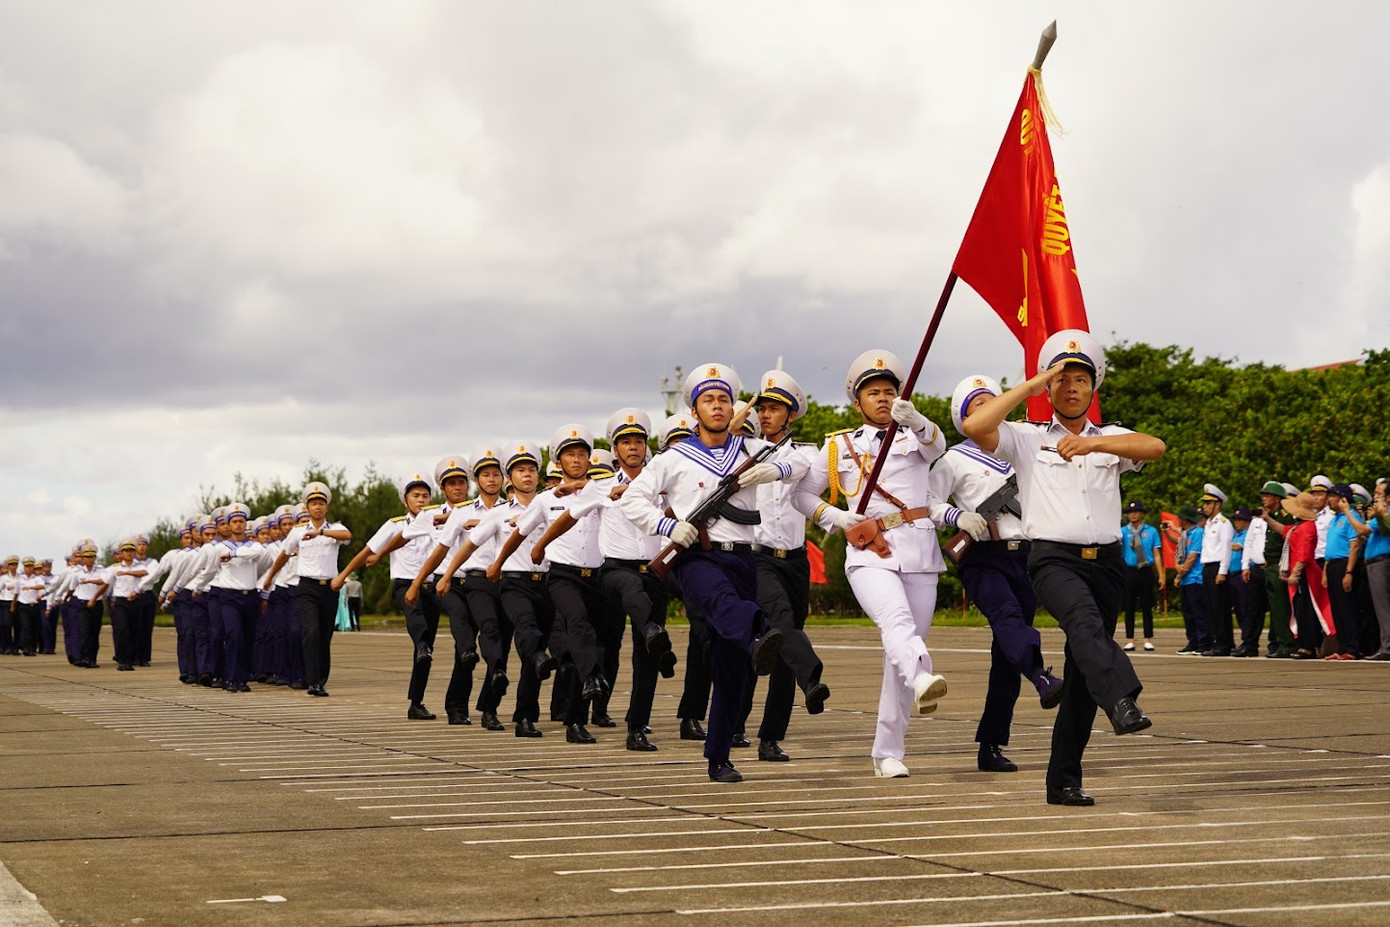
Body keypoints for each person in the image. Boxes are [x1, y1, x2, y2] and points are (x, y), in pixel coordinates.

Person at [961, 329, 1164, 807]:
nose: (1071, 386)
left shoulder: (1110, 437)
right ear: (1048, 389)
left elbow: (1155, 447)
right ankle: (1122, 698)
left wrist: (1095, 447)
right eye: (1061, 379)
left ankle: (1063, 780)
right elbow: (975, 427)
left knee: (1080, 672)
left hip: (1108, 563)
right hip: (1053, 559)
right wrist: (1029, 385)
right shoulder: (1027, 438)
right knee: (1086, 626)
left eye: (1080, 379)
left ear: (1094, 389)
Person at [620, 363, 800, 782]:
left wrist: (776, 470)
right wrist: (668, 525)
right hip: (696, 557)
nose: (717, 407)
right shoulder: (674, 457)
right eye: (708, 400)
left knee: (731, 665)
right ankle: (759, 631)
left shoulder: (752, 450)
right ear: (695, 409)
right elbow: (632, 499)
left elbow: (804, 465)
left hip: (743, 559)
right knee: (722, 601)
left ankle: (718, 755)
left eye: (723, 400)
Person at [793, 350, 952, 779]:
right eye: (873, 393)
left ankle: (888, 752)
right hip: (869, 554)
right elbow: (802, 495)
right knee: (896, 624)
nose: (883, 399)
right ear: (857, 402)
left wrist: (915, 419)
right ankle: (924, 676)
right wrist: (834, 516)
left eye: (889, 391)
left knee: (899, 653)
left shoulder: (916, 436)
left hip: (919, 552)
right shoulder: (837, 445)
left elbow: (940, 446)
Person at [930, 374, 1063, 775]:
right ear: (965, 417)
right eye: (978, 405)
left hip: (1024, 556)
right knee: (1006, 618)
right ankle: (1040, 674)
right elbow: (925, 502)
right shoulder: (955, 458)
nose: (989, 408)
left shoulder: (1025, 450)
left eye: (993, 400)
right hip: (983, 555)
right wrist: (957, 515)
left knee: (1006, 655)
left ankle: (991, 744)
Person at [264, 482, 351, 696]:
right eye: (313, 504)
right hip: (307, 588)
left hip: (329, 588)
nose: (318, 507)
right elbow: (284, 554)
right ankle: (312, 681)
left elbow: (347, 536)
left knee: (324, 636)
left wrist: (321, 533)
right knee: (311, 632)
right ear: (307, 507)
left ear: (327, 507)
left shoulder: (335, 529)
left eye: (321, 503)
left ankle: (321, 680)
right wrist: (270, 576)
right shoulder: (297, 531)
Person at [1322, 483, 1370, 660]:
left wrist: (1349, 572)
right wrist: (1325, 571)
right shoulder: (1334, 519)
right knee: (1337, 609)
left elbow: (1354, 546)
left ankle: (1352, 647)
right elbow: (1330, 548)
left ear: (1343, 498)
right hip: (1333, 564)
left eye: (1333, 496)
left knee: (1347, 607)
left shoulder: (1352, 517)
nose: (1329, 499)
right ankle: (1342, 646)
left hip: (1345, 564)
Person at [1198, 484, 1235, 657]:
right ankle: (1217, 641)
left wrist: (1222, 571)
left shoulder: (1223, 523)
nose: (1205, 506)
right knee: (1211, 607)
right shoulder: (1209, 524)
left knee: (1220, 608)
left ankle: (1224, 643)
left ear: (1217, 505)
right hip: (1207, 567)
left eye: (1208, 503)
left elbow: (1226, 549)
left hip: (1217, 567)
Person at [1120, 501, 1162, 652]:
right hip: (1129, 571)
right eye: (1130, 512)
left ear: (1142, 513)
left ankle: (1147, 639)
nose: (1133, 514)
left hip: (1145, 570)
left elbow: (1156, 554)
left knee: (1146, 606)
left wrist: (1161, 575)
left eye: (1136, 511)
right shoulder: (1123, 532)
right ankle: (1130, 639)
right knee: (1129, 606)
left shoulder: (1150, 531)